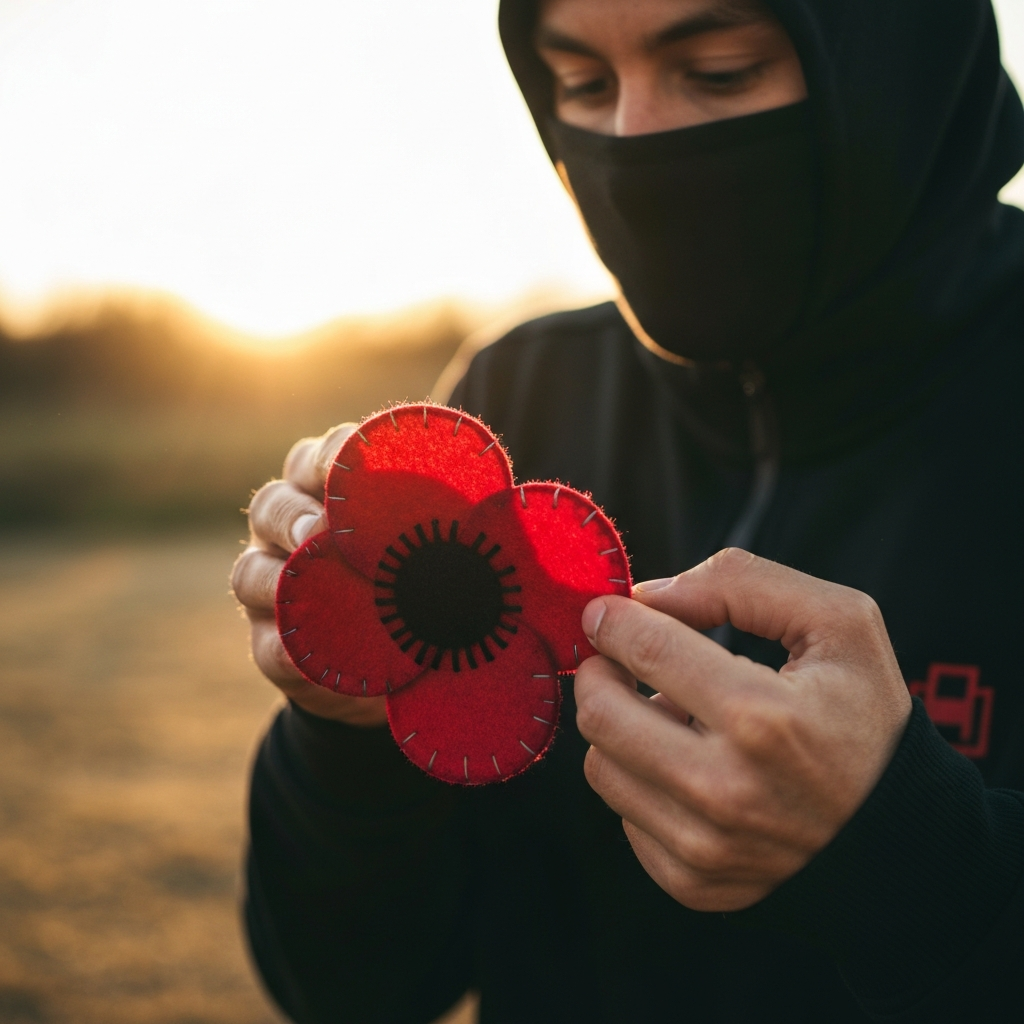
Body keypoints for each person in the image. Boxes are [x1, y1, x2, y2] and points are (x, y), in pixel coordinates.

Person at [229, 0, 1024, 1020]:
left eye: (721, 71)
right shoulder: (517, 398)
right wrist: (346, 730)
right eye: (583, 85)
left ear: (893, 63)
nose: (632, 137)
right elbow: (351, 989)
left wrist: (909, 859)